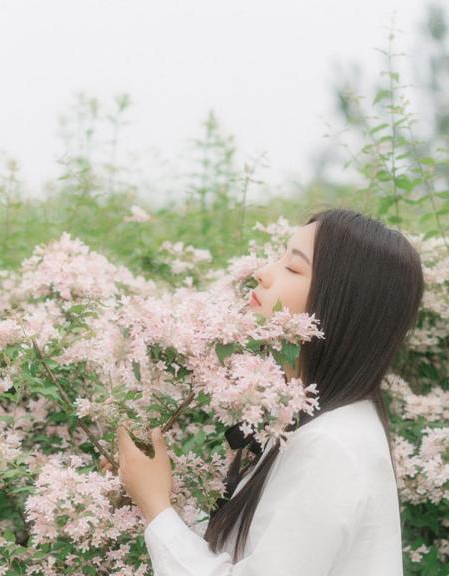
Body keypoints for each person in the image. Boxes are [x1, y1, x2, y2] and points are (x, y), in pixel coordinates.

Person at [115, 208, 425, 575]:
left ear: (341, 305)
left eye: (293, 268)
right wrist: (153, 486)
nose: (262, 274)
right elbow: (250, 548)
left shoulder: (332, 446)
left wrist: (155, 506)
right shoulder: (310, 417)